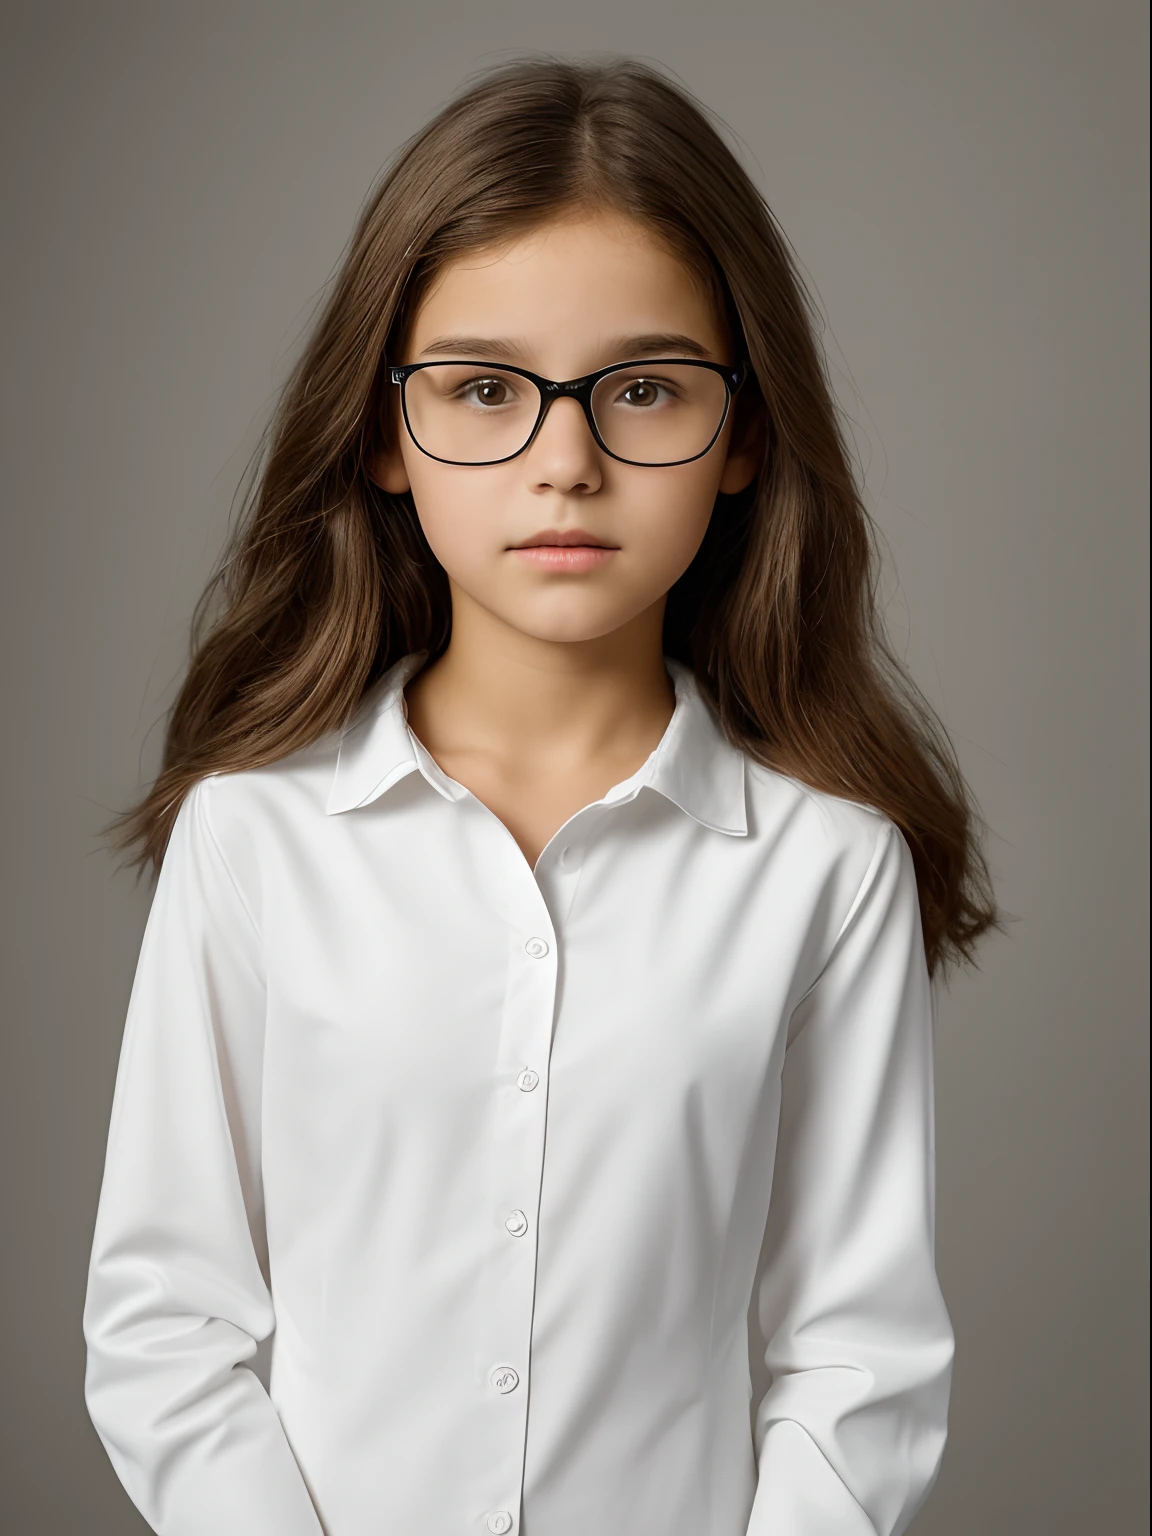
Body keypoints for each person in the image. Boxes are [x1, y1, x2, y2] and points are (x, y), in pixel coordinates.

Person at [83, 55, 1001, 1536]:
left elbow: (858, 1358)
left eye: (643, 389)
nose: (564, 463)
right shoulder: (251, 839)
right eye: (484, 388)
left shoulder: (828, 869)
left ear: (747, 433)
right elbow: (162, 1326)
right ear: (384, 432)